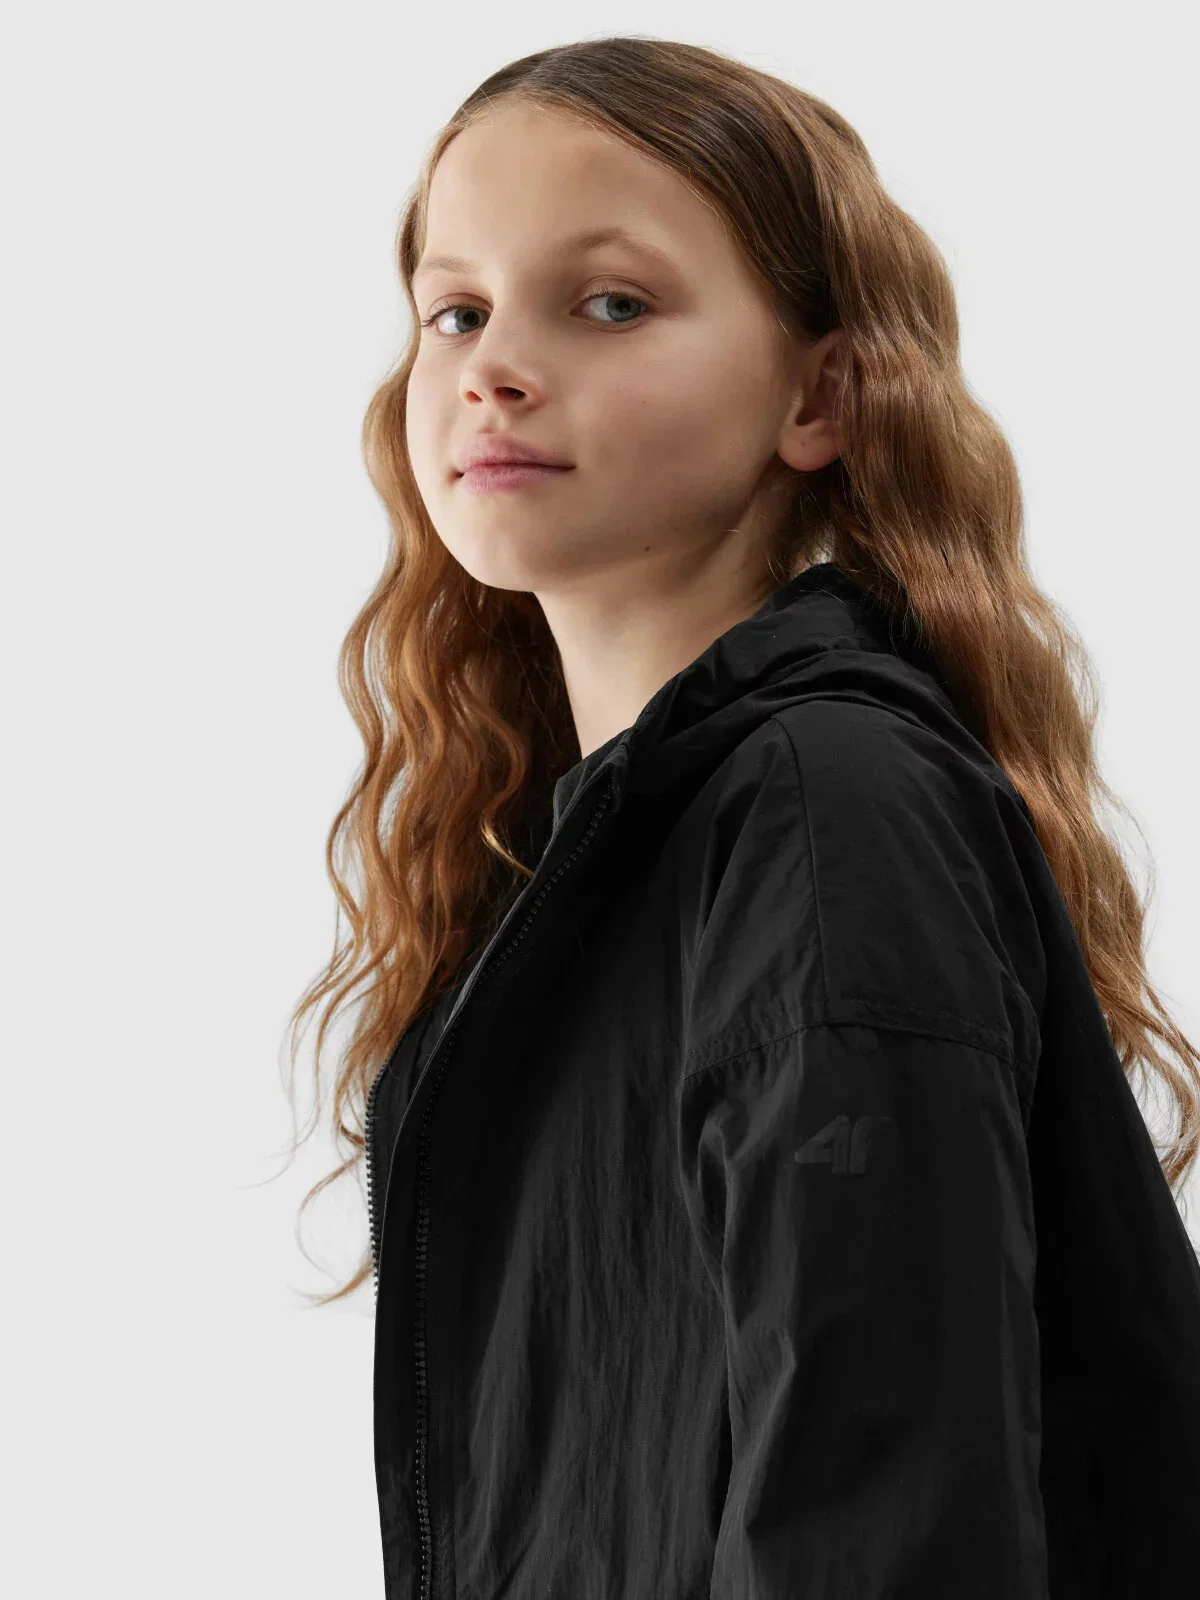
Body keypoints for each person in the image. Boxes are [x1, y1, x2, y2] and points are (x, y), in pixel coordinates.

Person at [284, 36, 1200, 1599]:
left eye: (610, 304)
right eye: (458, 311)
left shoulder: (827, 808)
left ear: (820, 394)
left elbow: (886, 1525)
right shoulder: (578, 852)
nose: (495, 367)